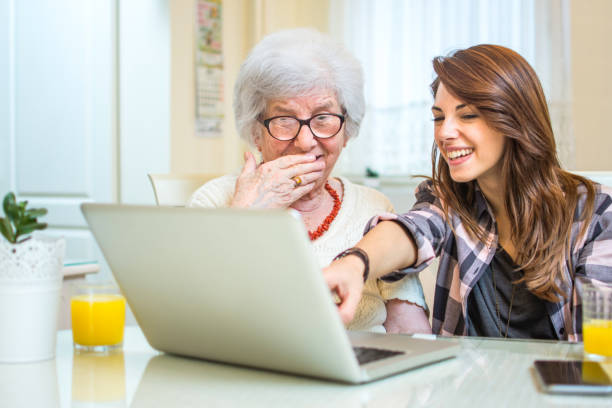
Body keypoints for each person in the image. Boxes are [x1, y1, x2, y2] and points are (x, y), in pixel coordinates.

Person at [323, 44, 612, 340]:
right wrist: (354, 264)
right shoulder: (450, 200)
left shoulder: (598, 214)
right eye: (439, 117)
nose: (445, 133)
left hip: (559, 386)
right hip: (467, 387)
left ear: (514, 118)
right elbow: (414, 228)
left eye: (468, 115)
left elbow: (599, 357)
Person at [187, 28, 430, 334]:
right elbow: (194, 323)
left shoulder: (373, 206)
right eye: (284, 120)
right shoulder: (213, 201)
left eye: (323, 118)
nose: (305, 141)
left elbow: (411, 332)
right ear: (255, 133)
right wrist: (245, 215)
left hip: (366, 371)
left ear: (346, 131)